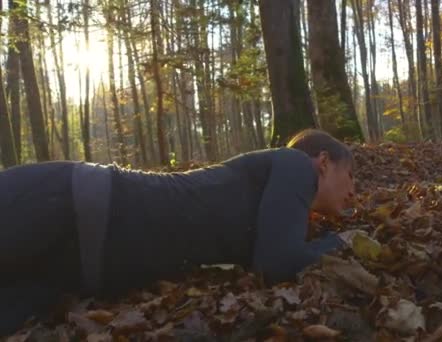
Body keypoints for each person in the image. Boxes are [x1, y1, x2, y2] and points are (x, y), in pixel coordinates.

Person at [0, 129, 356, 336]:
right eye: (351, 174)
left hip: (73, 268)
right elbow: (278, 263)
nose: (354, 191)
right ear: (323, 162)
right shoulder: (294, 163)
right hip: (74, 200)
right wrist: (340, 241)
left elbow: (275, 255)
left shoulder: (278, 205)